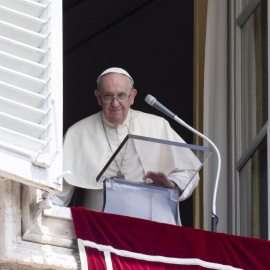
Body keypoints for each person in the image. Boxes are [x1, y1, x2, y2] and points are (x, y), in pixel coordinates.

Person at [51, 67, 199, 225]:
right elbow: (56, 194)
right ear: (98, 97)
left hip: (155, 226)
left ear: (132, 96)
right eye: (108, 96)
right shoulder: (77, 133)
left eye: (121, 95)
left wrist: (172, 184)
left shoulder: (157, 125)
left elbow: (190, 171)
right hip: (100, 229)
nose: (115, 103)